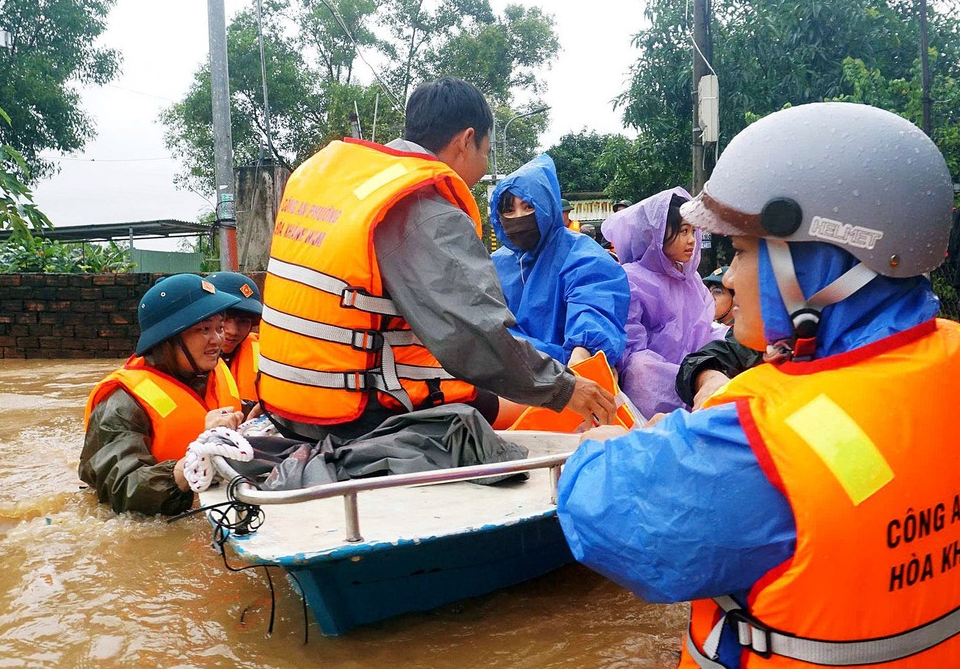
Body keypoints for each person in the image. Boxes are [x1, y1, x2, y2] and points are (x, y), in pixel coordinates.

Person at [556, 103, 960, 669]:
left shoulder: (765, 442)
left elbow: (607, 522)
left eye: (741, 251)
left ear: (813, 266)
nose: (726, 275)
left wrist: (594, 451)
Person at [255, 77, 615, 441]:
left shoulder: (336, 181)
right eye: (486, 152)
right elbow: (477, 335)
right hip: (357, 414)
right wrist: (565, 389)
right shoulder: (424, 207)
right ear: (465, 141)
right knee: (501, 428)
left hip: (287, 400)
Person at [80, 274, 243, 516]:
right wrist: (190, 465)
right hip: (157, 517)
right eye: (204, 329)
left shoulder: (209, 371)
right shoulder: (121, 403)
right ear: (168, 338)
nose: (218, 339)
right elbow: (121, 488)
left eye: (219, 327)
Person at [491, 154, 630, 368]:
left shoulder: (582, 254)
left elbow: (594, 306)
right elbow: (485, 324)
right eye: (509, 210)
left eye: (529, 207)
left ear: (547, 206)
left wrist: (582, 358)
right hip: (509, 377)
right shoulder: (495, 264)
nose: (519, 217)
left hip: (569, 374)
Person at [601, 187, 726, 417]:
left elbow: (705, 329)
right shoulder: (632, 278)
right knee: (641, 369)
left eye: (693, 231)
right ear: (655, 235)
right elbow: (630, 348)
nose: (691, 241)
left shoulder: (691, 278)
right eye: (682, 231)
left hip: (695, 368)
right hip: (656, 376)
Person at [206, 270, 262, 412]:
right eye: (224, 319)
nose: (233, 331)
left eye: (244, 322)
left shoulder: (267, 357)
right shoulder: (182, 364)